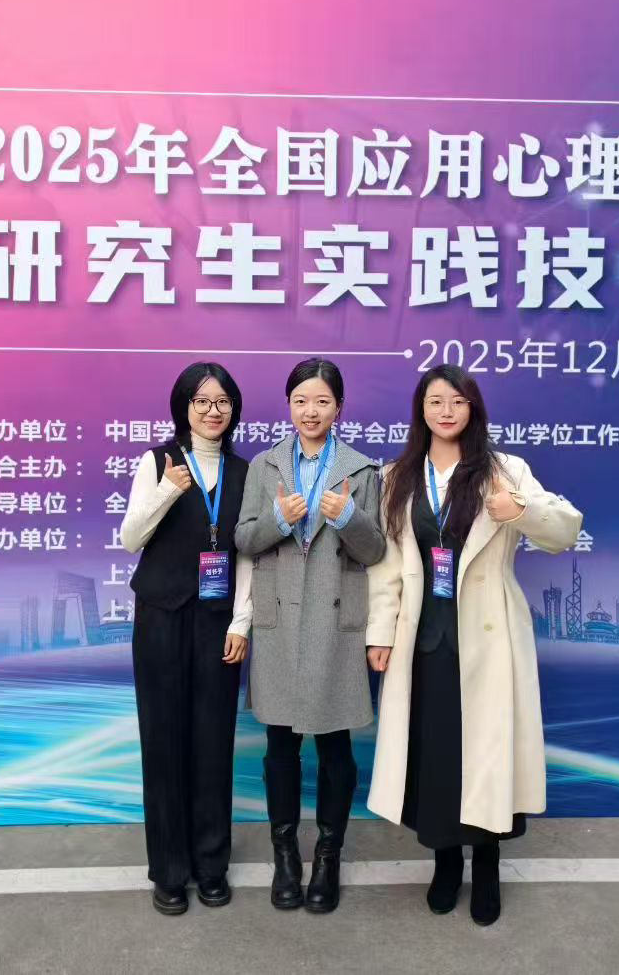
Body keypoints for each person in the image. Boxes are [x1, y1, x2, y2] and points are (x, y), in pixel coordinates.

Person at [365, 365, 583, 926]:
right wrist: (381, 632)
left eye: (457, 401)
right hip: (424, 637)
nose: (446, 411)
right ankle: (445, 863)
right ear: (420, 409)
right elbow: (386, 566)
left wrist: (522, 511)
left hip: (488, 634)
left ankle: (487, 866)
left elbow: (563, 531)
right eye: (435, 401)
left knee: (486, 752)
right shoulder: (396, 477)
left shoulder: (505, 470)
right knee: (436, 753)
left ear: (473, 409)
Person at [234, 357, 386, 914]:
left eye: (322, 401)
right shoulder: (265, 465)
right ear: (288, 406)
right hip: (278, 622)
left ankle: (327, 857)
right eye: (301, 401)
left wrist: (348, 518)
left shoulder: (362, 471)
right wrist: (277, 519)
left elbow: (375, 550)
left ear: (339, 408)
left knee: (335, 748)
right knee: (280, 748)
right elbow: (244, 539)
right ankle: (285, 858)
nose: (311, 411)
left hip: (335, 622)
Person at [120, 362, 252, 916]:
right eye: (202, 401)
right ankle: (169, 872)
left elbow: (249, 554)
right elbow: (131, 538)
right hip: (161, 617)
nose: (212, 410)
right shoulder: (158, 462)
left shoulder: (246, 472)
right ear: (184, 407)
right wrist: (166, 493)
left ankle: (211, 866)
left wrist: (241, 622)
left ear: (233, 408)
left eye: (222, 401)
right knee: (164, 742)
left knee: (213, 743)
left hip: (218, 622)